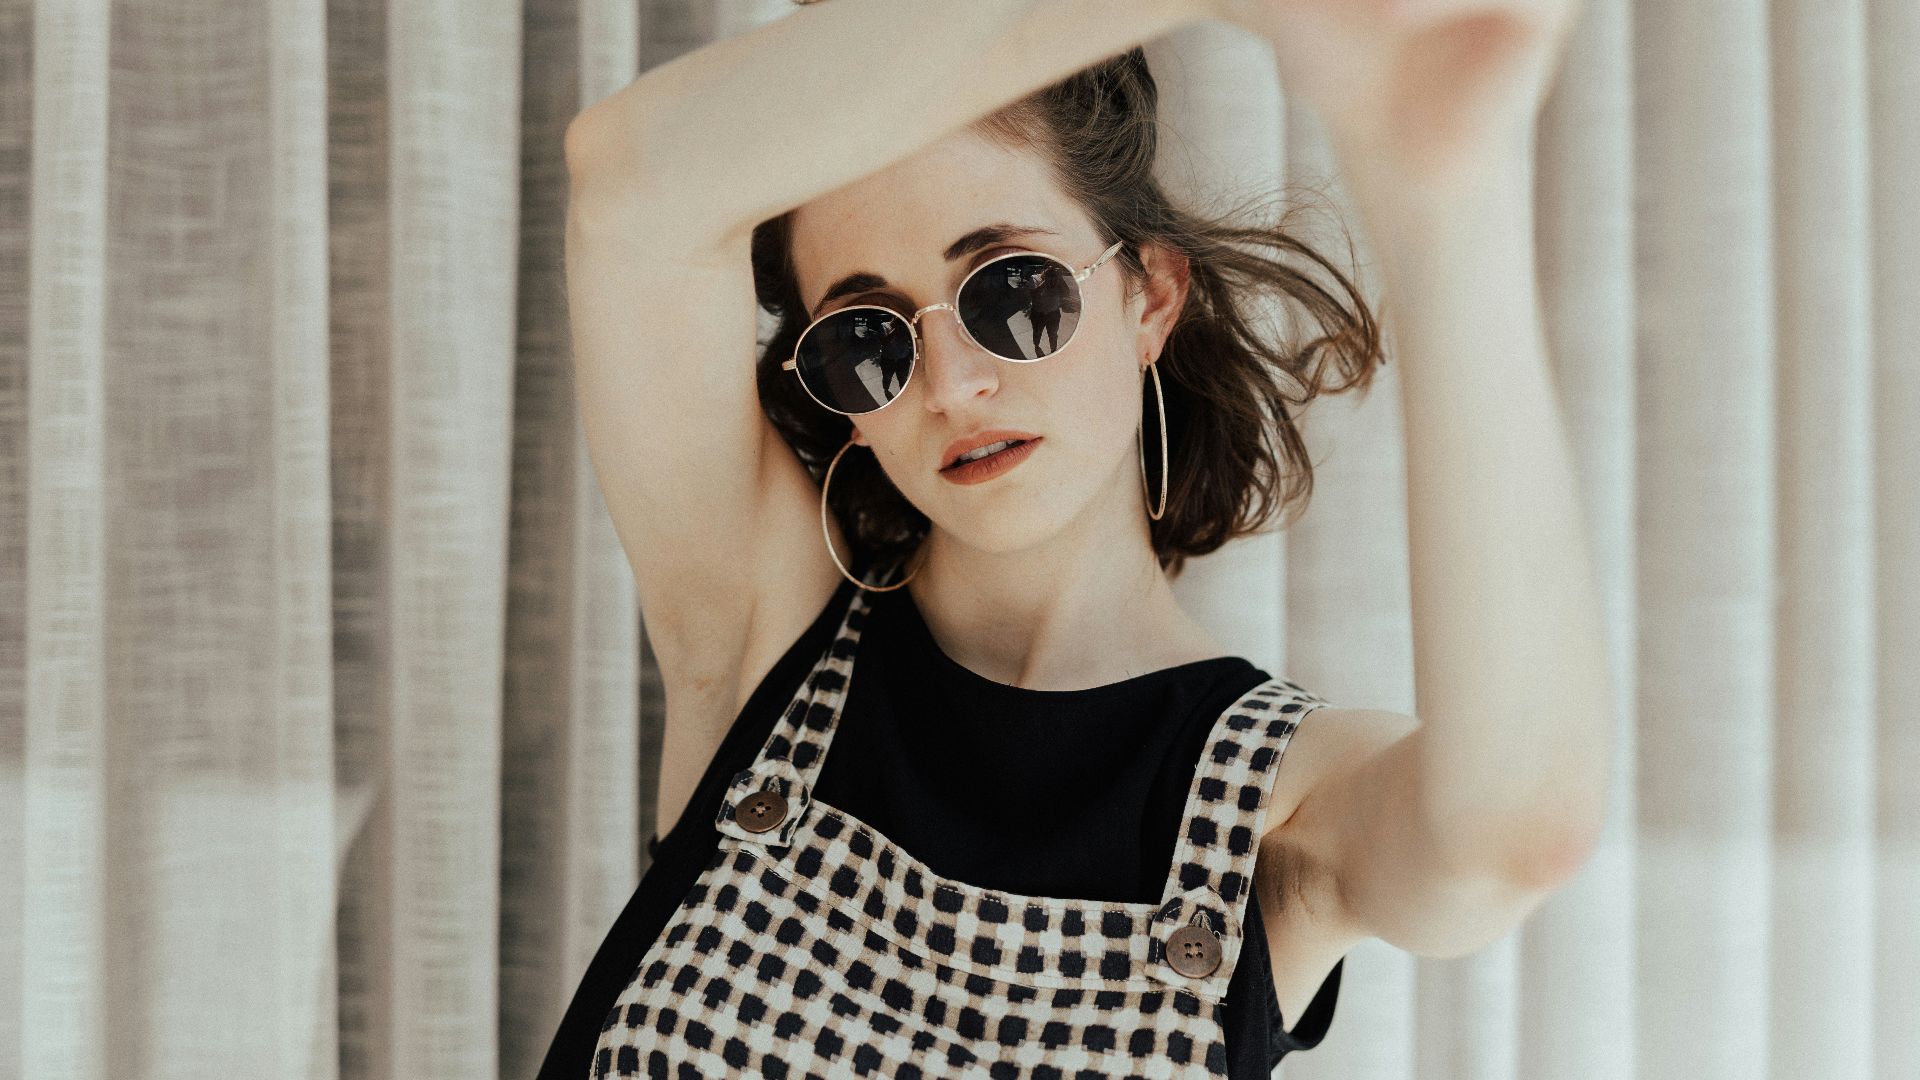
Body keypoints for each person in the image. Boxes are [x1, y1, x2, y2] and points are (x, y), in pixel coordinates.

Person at [544, 0, 1605, 1077]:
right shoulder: (761, 644)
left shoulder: (1276, 804)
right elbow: (631, 184)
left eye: (1012, 289)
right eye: (869, 339)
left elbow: (1505, 834)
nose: (953, 384)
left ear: (1149, 297)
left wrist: (1445, 198)